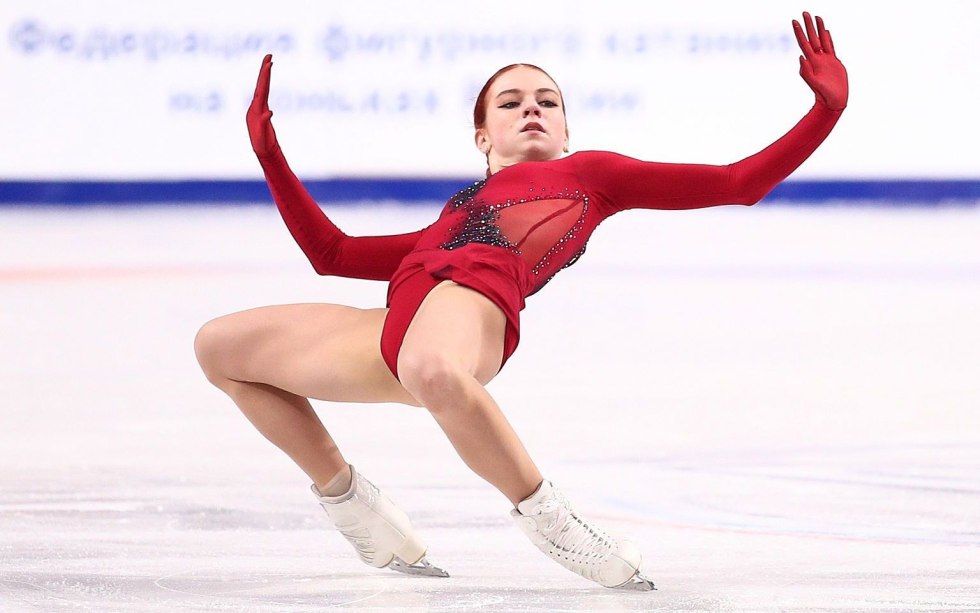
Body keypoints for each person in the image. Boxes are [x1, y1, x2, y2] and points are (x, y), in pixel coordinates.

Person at [194, 11, 847, 591]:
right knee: (219, 348)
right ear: (482, 136)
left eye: (547, 100)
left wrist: (824, 113)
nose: (530, 108)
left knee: (432, 365)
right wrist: (269, 153)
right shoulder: (450, 215)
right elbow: (331, 254)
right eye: (509, 102)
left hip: (472, 312)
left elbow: (739, 182)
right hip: (399, 326)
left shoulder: (592, 175)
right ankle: (354, 505)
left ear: (565, 130)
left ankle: (552, 520)